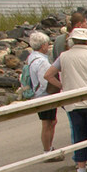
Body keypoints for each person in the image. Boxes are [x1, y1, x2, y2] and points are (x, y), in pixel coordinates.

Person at [44, 27, 87, 172]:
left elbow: (48, 75)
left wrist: (63, 86)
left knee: (79, 136)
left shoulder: (64, 56)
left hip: (72, 101)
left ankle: (81, 171)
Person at [25, 31, 59, 159]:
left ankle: (49, 148)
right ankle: (47, 150)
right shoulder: (42, 62)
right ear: (43, 45)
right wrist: (59, 86)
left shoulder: (31, 58)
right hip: (44, 95)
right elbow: (45, 80)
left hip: (37, 94)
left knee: (51, 121)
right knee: (48, 123)